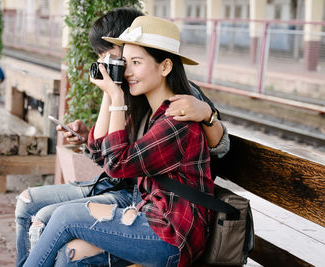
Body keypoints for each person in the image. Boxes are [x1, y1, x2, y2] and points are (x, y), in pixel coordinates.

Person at [15, 8, 229, 266]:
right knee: (69, 254)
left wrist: (207, 114)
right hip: (148, 211)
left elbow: (222, 147)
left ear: (164, 66)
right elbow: (99, 151)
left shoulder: (179, 107)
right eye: (121, 61)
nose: (120, 68)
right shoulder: (142, 100)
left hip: (170, 229)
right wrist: (112, 94)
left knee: (62, 218)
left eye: (131, 61)